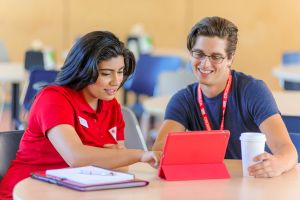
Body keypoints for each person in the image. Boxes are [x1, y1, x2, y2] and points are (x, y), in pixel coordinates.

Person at [0, 31, 161, 199]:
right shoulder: (53, 98)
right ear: (84, 70)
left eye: (120, 71)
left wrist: (106, 156)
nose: (116, 81)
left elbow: (120, 167)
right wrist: (138, 155)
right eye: (106, 73)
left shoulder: (111, 106)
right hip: (26, 192)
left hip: (72, 192)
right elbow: (76, 157)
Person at [152, 16, 297, 178]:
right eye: (198, 54)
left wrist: (279, 163)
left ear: (230, 59)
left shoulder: (252, 90)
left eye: (216, 57)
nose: (205, 64)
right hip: (207, 184)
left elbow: (288, 151)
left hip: (252, 180)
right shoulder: (183, 100)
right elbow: (158, 151)